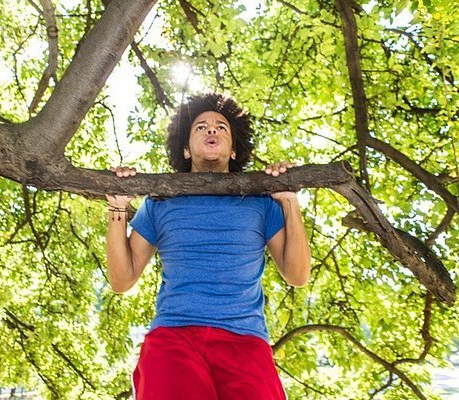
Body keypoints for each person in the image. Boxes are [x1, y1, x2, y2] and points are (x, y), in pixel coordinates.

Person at [106, 93, 311, 400]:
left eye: (221, 127)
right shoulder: (161, 202)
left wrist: (289, 199)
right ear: (186, 150)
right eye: (201, 127)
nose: (212, 130)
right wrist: (118, 206)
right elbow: (122, 280)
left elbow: (297, 275)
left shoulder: (261, 202)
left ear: (234, 149)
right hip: (174, 337)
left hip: (245, 340)